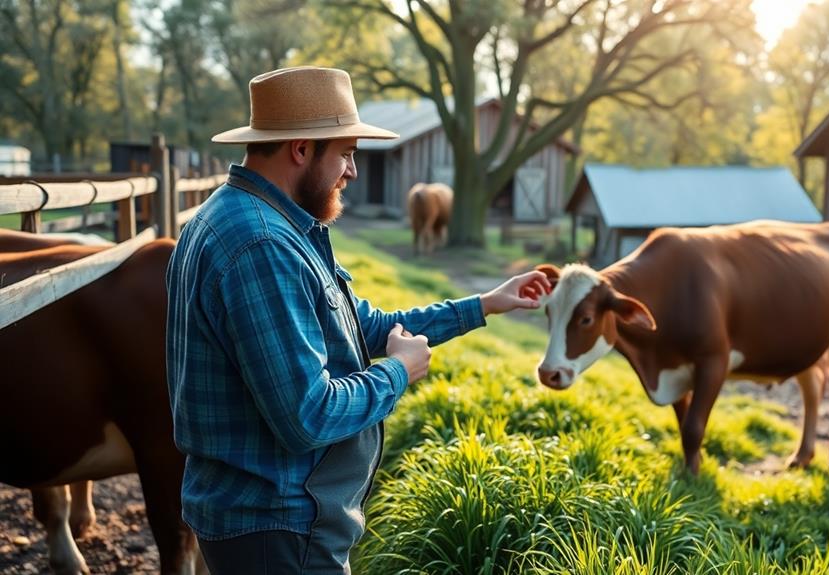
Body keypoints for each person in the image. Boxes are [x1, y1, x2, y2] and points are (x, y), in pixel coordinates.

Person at [165, 66, 550, 574]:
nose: (352, 171)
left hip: (266, 519)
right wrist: (398, 373)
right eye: (345, 153)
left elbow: (364, 326)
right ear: (301, 149)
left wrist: (483, 304)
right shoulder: (262, 245)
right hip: (279, 529)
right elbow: (309, 416)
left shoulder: (251, 220)